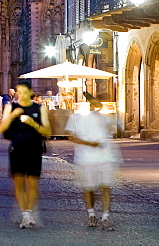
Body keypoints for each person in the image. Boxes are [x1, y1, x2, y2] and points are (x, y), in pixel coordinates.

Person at [0, 80, 51, 229]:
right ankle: (25, 214)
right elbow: (2, 128)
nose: (21, 96)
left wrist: (33, 123)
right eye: (18, 92)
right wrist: (12, 115)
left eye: (24, 93)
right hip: (17, 148)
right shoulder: (10, 107)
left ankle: (29, 211)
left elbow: (47, 131)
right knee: (19, 183)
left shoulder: (39, 108)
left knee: (33, 182)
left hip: (34, 148)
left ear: (30, 93)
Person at [66, 99, 121, 231]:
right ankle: (91, 214)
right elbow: (71, 136)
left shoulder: (106, 117)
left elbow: (115, 128)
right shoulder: (76, 117)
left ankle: (105, 217)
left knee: (105, 187)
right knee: (88, 188)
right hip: (86, 158)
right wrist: (90, 144)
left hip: (105, 157)